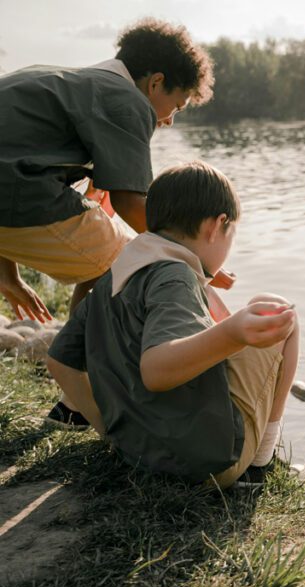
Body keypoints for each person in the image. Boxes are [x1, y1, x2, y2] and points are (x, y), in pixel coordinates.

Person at [0, 18, 216, 426]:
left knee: (106, 236)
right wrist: (194, 254)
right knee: (128, 257)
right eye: (178, 105)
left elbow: (10, 149)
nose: (169, 120)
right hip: (18, 196)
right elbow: (132, 204)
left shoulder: (61, 79)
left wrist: (6, 271)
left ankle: (75, 388)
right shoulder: (127, 100)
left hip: (10, 197)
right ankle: (77, 396)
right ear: (155, 83)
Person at [46, 161, 299, 489]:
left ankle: (143, 443)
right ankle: (260, 461)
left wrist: (111, 432)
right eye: (231, 233)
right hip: (208, 463)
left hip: (141, 454)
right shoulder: (174, 275)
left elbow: (59, 360)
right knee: (280, 312)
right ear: (216, 226)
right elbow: (157, 370)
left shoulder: (115, 276)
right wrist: (232, 333)